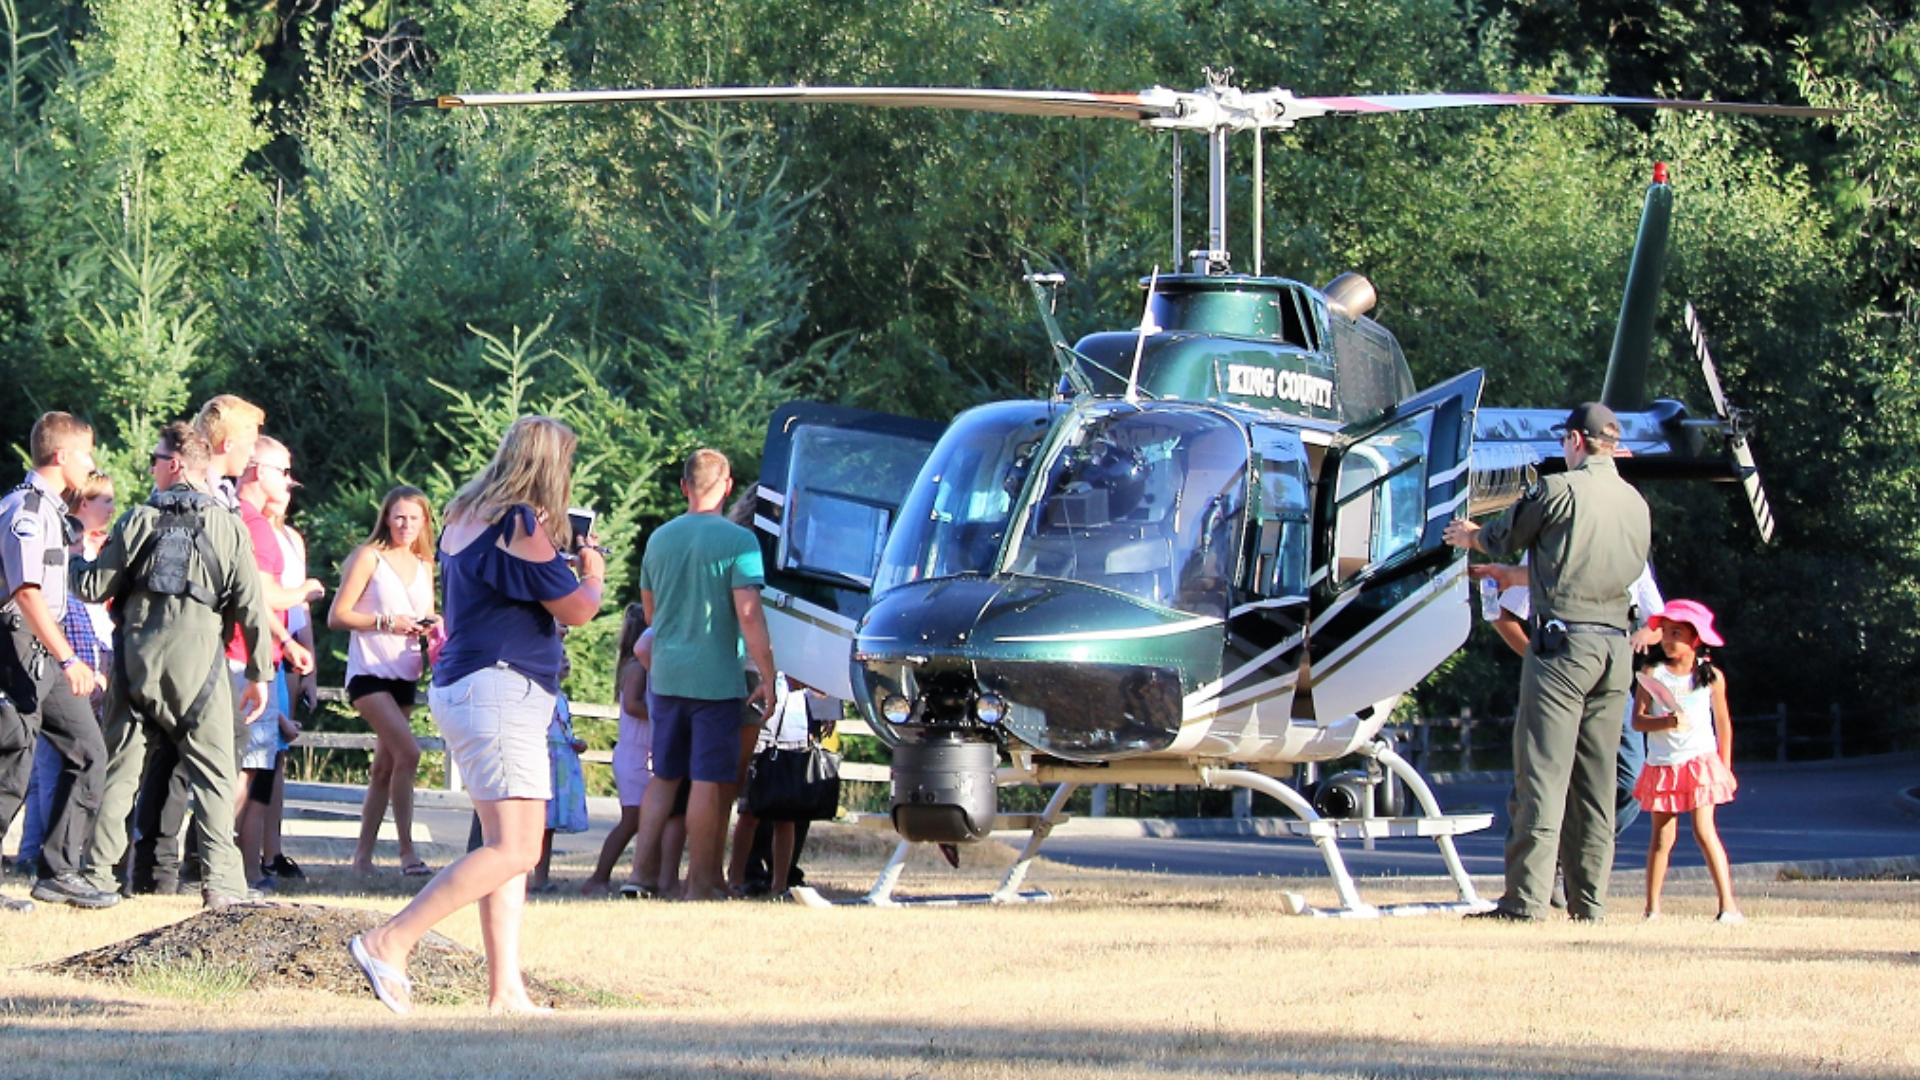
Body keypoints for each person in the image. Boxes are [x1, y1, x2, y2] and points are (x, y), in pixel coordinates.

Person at [348, 416, 603, 1015]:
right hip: (502, 689)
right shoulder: (520, 519)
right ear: (549, 466)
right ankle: (390, 940)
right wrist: (591, 569)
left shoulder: (466, 513)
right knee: (518, 850)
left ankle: (505, 991)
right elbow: (577, 610)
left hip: (467, 685)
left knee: (502, 847)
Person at [1443, 402, 1651, 922]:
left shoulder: (1559, 489)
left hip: (1565, 644)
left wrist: (1471, 536)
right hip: (1615, 649)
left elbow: (1505, 537)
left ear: (1577, 441)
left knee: (1542, 772)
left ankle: (1526, 901)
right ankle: (1591, 904)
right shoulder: (1635, 503)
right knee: (1598, 783)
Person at [74, 421, 275, 908]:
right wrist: (259, 673)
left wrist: (73, 556)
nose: (152, 469)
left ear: (177, 464)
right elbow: (251, 604)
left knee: (122, 770)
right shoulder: (228, 525)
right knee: (213, 775)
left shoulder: (138, 519)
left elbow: (93, 588)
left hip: (137, 657)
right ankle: (223, 883)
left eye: (157, 460)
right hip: (200, 662)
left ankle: (99, 876)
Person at [629, 449, 776, 902]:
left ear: (683, 487)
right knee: (709, 780)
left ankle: (640, 875)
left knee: (665, 776)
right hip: (714, 679)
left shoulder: (659, 539)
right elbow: (748, 615)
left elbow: (650, 614)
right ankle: (703, 882)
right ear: (727, 486)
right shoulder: (738, 542)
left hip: (667, 675)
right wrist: (768, 675)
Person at [0, 414, 114, 911]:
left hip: (44, 649)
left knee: (87, 751)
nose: (91, 465)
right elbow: (25, 593)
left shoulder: (51, 510)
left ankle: (59, 871)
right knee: (12, 761)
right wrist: (69, 657)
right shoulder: (24, 509)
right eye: (86, 455)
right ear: (62, 456)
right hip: (17, 645)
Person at [328, 485, 437, 876]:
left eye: (413, 517)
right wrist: (385, 622)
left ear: (425, 521)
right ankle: (408, 852)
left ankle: (362, 857)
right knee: (409, 754)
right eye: (399, 517)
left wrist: (431, 626)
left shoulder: (426, 564)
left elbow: (425, 612)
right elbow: (337, 615)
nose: (406, 525)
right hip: (369, 673)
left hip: (405, 672)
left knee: (384, 768)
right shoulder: (369, 557)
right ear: (387, 519)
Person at [1632, 600, 1742, 922]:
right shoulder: (1652, 674)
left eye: (1676, 633)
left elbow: (1723, 724)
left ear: (1696, 639)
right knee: (1662, 837)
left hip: (1700, 763)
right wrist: (1664, 723)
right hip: (1664, 764)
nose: (1667, 639)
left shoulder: (1711, 678)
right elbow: (1638, 721)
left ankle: (1728, 906)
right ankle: (1652, 909)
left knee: (1704, 830)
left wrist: (1724, 765)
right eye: (1665, 632)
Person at [530, 658, 588, 892]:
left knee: (548, 827)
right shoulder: (538, 695)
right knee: (534, 824)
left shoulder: (560, 698)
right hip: (544, 762)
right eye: (559, 656)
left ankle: (541, 878)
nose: (565, 661)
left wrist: (574, 743)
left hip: (561, 764)